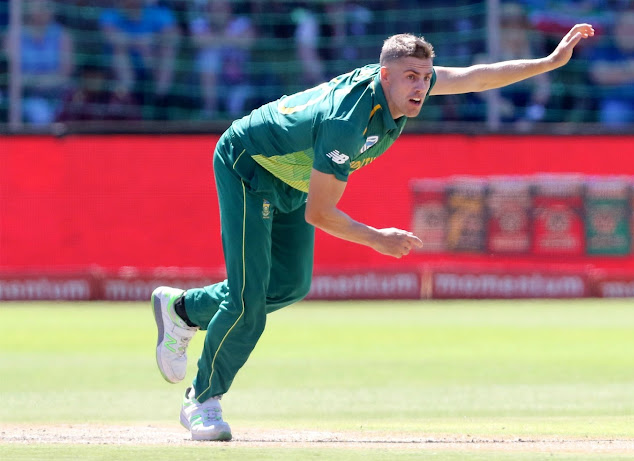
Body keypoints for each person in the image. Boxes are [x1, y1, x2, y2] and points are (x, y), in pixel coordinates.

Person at [151, 23, 595, 441]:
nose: (420, 86)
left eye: (425, 77)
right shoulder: (349, 121)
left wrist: (549, 62)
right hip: (249, 165)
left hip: (291, 176)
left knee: (288, 285)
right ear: (385, 75)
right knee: (249, 300)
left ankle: (183, 310)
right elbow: (321, 214)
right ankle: (202, 399)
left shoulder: (402, 87)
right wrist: (377, 238)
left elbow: (477, 76)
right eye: (410, 77)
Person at [99, 0, 179, 119]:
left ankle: (160, 101)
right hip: (121, 65)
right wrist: (142, 42)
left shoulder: (159, 13)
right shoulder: (110, 14)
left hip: (152, 59)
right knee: (119, 51)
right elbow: (112, 37)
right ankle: (129, 96)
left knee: (167, 51)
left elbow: (173, 36)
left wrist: (150, 43)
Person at [4, 0, 74, 125]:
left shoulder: (62, 35)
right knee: (38, 111)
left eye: (48, 6)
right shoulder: (13, 35)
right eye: (40, 6)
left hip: (55, 96)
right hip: (22, 97)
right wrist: (34, 83)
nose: (44, 11)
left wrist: (38, 82)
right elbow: (9, 74)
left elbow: (65, 74)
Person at [189, 0, 256, 118]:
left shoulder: (242, 23)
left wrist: (214, 39)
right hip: (203, 80)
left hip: (239, 78)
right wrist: (232, 39)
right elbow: (197, 41)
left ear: (230, 9)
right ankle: (210, 111)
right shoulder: (199, 24)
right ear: (207, 11)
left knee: (236, 111)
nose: (218, 14)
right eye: (214, 10)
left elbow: (249, 42)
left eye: (221, 9)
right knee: (209, 58)